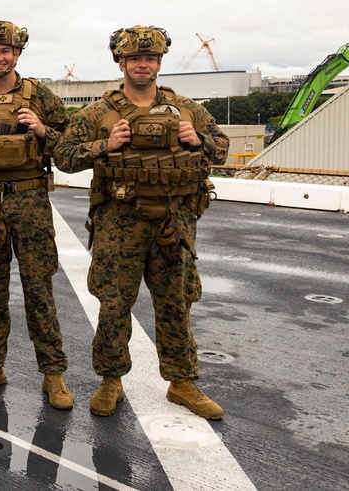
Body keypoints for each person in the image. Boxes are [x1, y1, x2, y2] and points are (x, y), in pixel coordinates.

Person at [53, 25, 229, 419]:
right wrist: (105, 145)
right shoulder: (98, 112)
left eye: (150, 58)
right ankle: (111, 380)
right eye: (134, 58)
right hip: (120, 222)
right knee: (114, 304)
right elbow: (63, 156)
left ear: (159, 63)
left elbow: (221, 148)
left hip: (174, 221)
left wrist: (198, 140)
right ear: (121, 62)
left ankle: (182, 382)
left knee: (175, 302)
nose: (142, 64)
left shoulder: (188, 109)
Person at [0, 20, 74, 409]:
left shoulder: (40, 95)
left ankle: (53, 372)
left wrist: (43, 132)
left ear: (18, 54)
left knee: (39, 287)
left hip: (30, 201)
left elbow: (72, 150)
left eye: (6, 51)